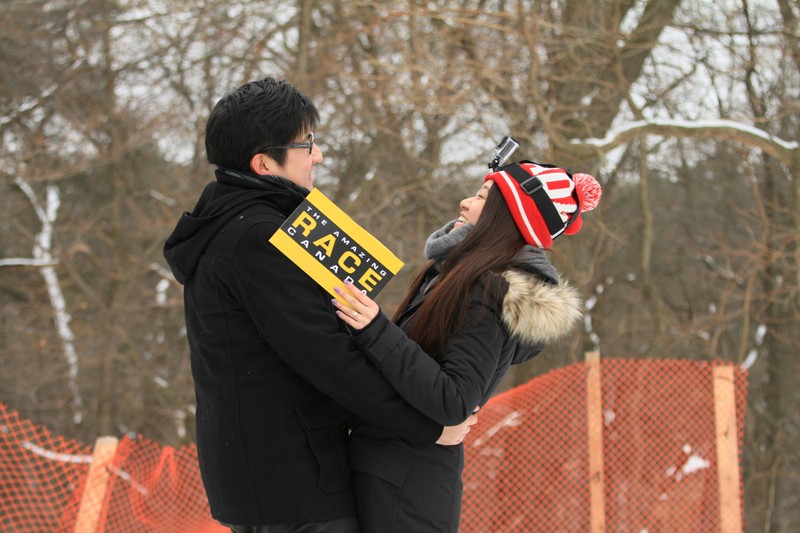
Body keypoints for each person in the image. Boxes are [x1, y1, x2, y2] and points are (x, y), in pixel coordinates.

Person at [162, 77, 476, 533]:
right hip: (294, 482)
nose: (319, 156)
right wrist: (426, 425)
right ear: (264, 162)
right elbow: (328, 356)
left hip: (268, 475)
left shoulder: (233, 225)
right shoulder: (258, 238)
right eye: (307, 145)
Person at [331, 160, 602, 532]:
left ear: (507, 215)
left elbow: (454, 400)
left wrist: (376, 329)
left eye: (481, 196)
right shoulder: (448, 276)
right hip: (384, 475)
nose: (464, 202)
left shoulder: (488, 288)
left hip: (407, 493)